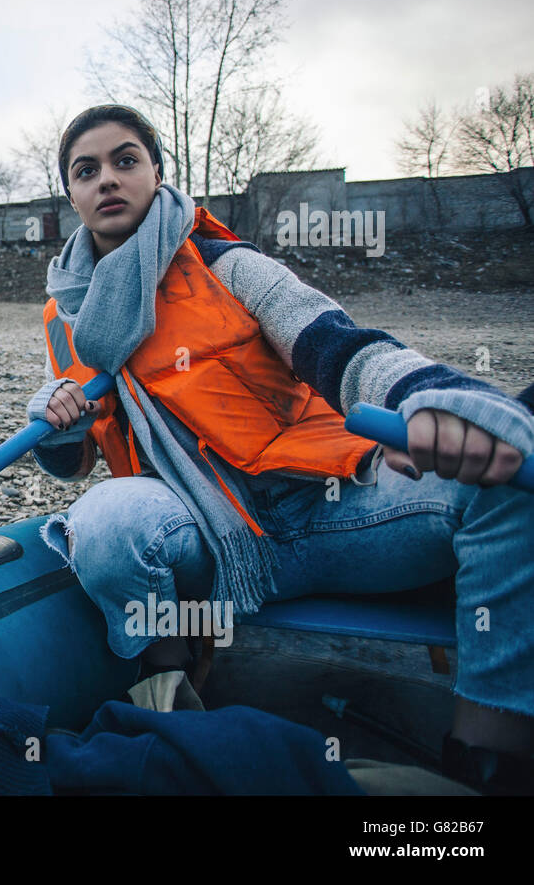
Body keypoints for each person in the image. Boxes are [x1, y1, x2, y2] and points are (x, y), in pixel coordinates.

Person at [26, 104, 534, 794]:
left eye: (125, 160)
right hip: (199, 535)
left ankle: (487, 762)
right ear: (72, 195)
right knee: (104, 520)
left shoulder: (225, 262)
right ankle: (176, 705)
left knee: (502, 485)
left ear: (156, 171)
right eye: (87, 171)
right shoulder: (66, 315)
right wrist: (57, 427)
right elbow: (74, 461)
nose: (108, 180)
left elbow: (335, 343)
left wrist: (430, 395)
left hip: (331, 510)